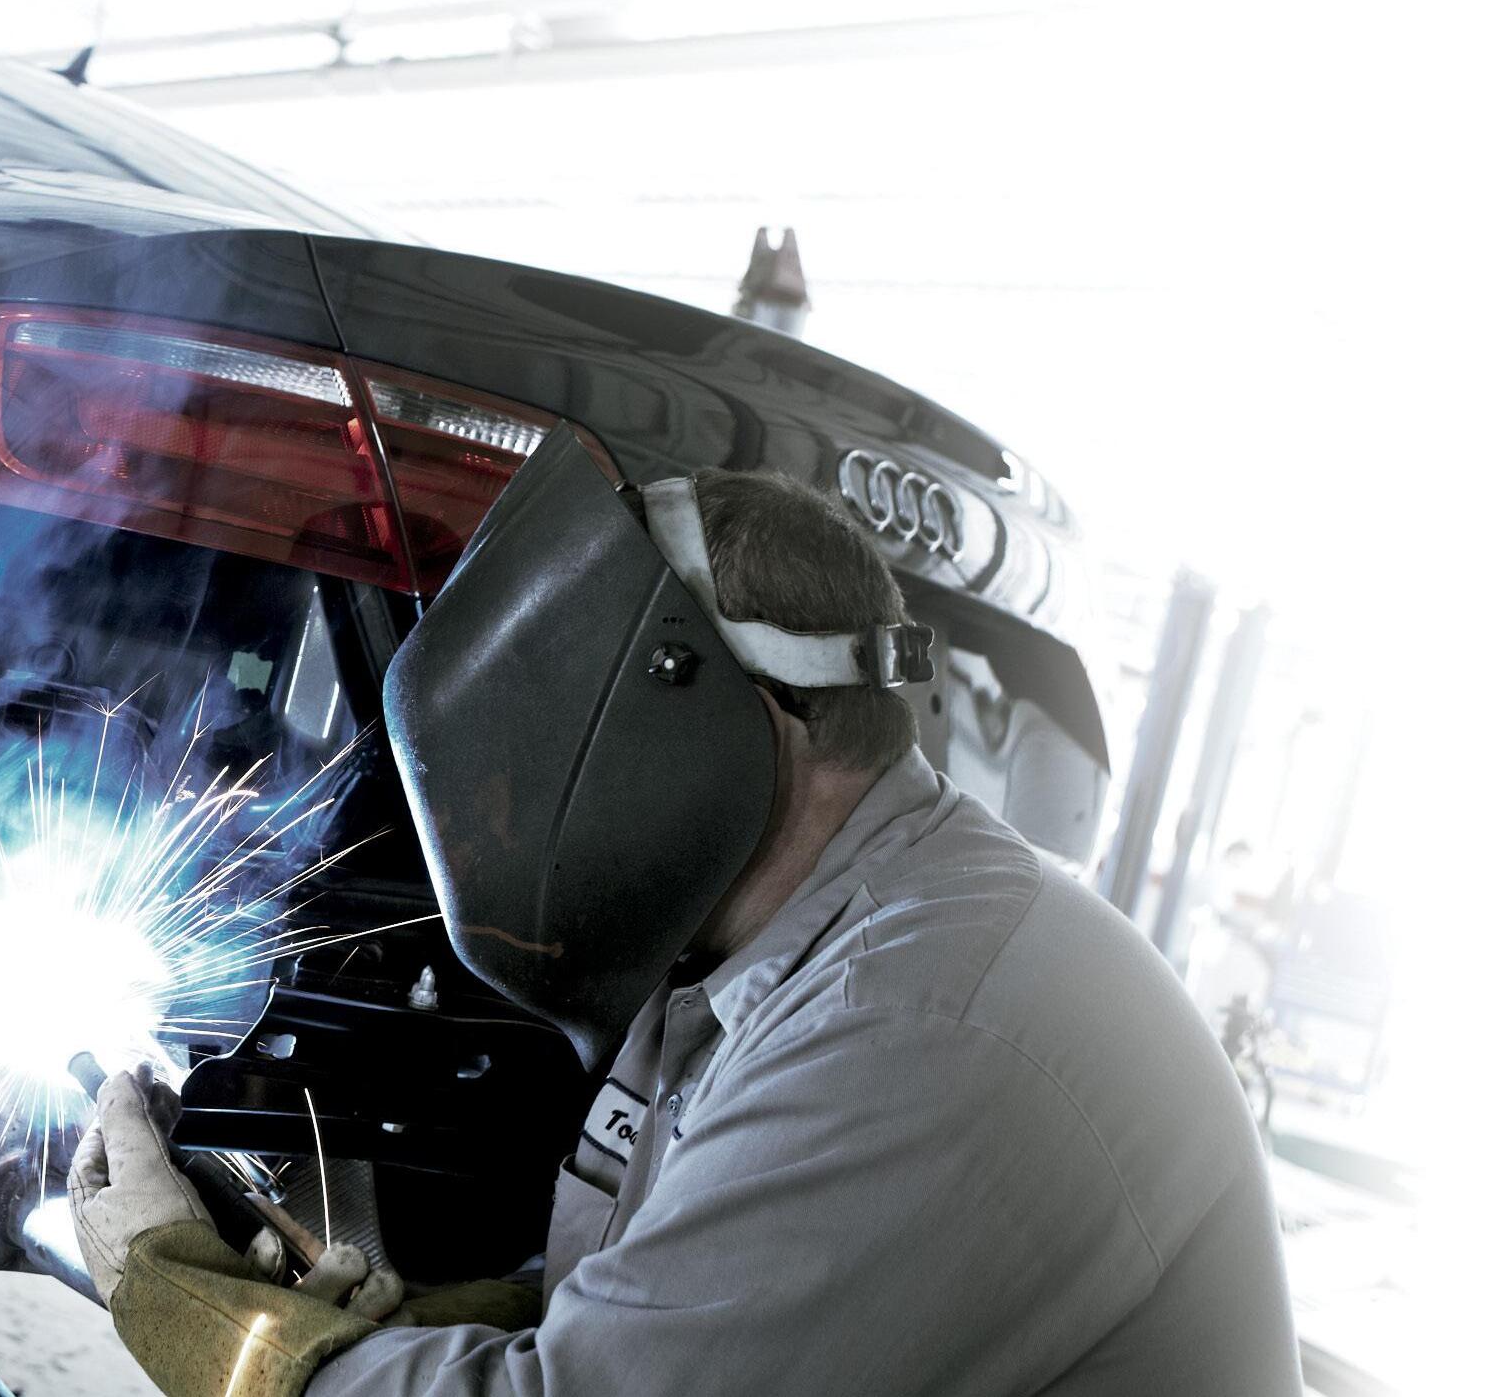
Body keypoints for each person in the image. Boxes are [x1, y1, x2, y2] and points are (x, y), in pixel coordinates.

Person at [70, 432, 1303, 1396]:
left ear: (705, 709)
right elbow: (655, 1305)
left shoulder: (925, 1018)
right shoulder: (776, 957)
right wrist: (414, 1326)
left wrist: (206, 1317)